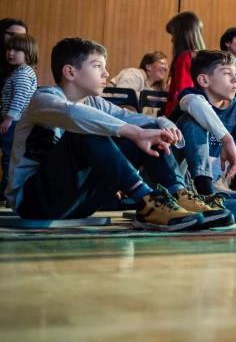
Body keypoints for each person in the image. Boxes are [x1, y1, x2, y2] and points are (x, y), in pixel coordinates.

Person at [4, 37, 224, 231]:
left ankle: (178, 195)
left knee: (149, 132)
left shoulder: (96, 103)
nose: (106, 74)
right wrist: (133, 133)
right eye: (97, 66)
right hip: (34, 202)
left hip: (81, 204)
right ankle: (145, 200)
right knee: (86, 131)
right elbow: (74, 114)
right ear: (70, 71)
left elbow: (142, 121)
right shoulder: (42, 99)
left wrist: (164, 123)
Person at [171, 50, 236, 223]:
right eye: (227, 73)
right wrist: (227, 138)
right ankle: (200, 198)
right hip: (180, 188)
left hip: (211, 191)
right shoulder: (190, 97)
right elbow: (196, 104)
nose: (235, 79)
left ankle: (202, 212)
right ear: (204, 80)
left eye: (235, 74)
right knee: (193, 121)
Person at [1, 34, 38, 196]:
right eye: (9, 49)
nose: (11, 53)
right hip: (16, 121)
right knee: (11, 156)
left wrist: (8, 119)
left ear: (28, 52)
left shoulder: (23, 73)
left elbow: (20, 98)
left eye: (17, 50)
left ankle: (8, 191)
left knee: (10, 157)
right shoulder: (20, 72)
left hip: (15, 122)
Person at [164, 11, 205, 116]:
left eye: (173, 35)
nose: (172, 40)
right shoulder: (203, 58)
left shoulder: (184, 58)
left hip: (180, 116)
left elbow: (183, 93)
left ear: (182, 35)